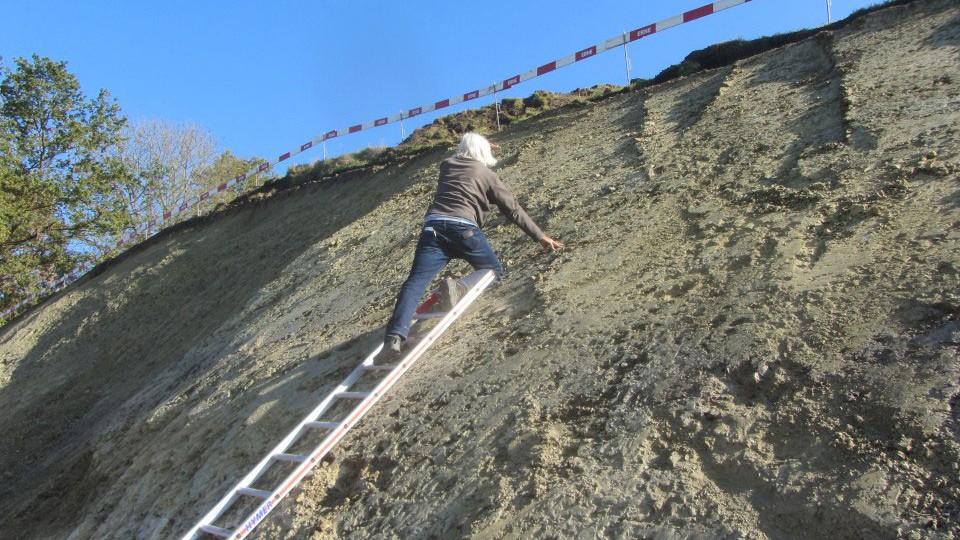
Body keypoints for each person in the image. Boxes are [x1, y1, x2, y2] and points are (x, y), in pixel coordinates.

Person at [380, 132, 564, 361]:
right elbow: (513, 210)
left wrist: (479, 143)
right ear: (483, 153)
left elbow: (459, 155)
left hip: (433, 228)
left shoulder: (447, 166)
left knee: (415, 282)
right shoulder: (487, 174)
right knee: (493, 270)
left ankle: (393, 340)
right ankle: (459, 287)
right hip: (463, 230)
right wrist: (540, 237)